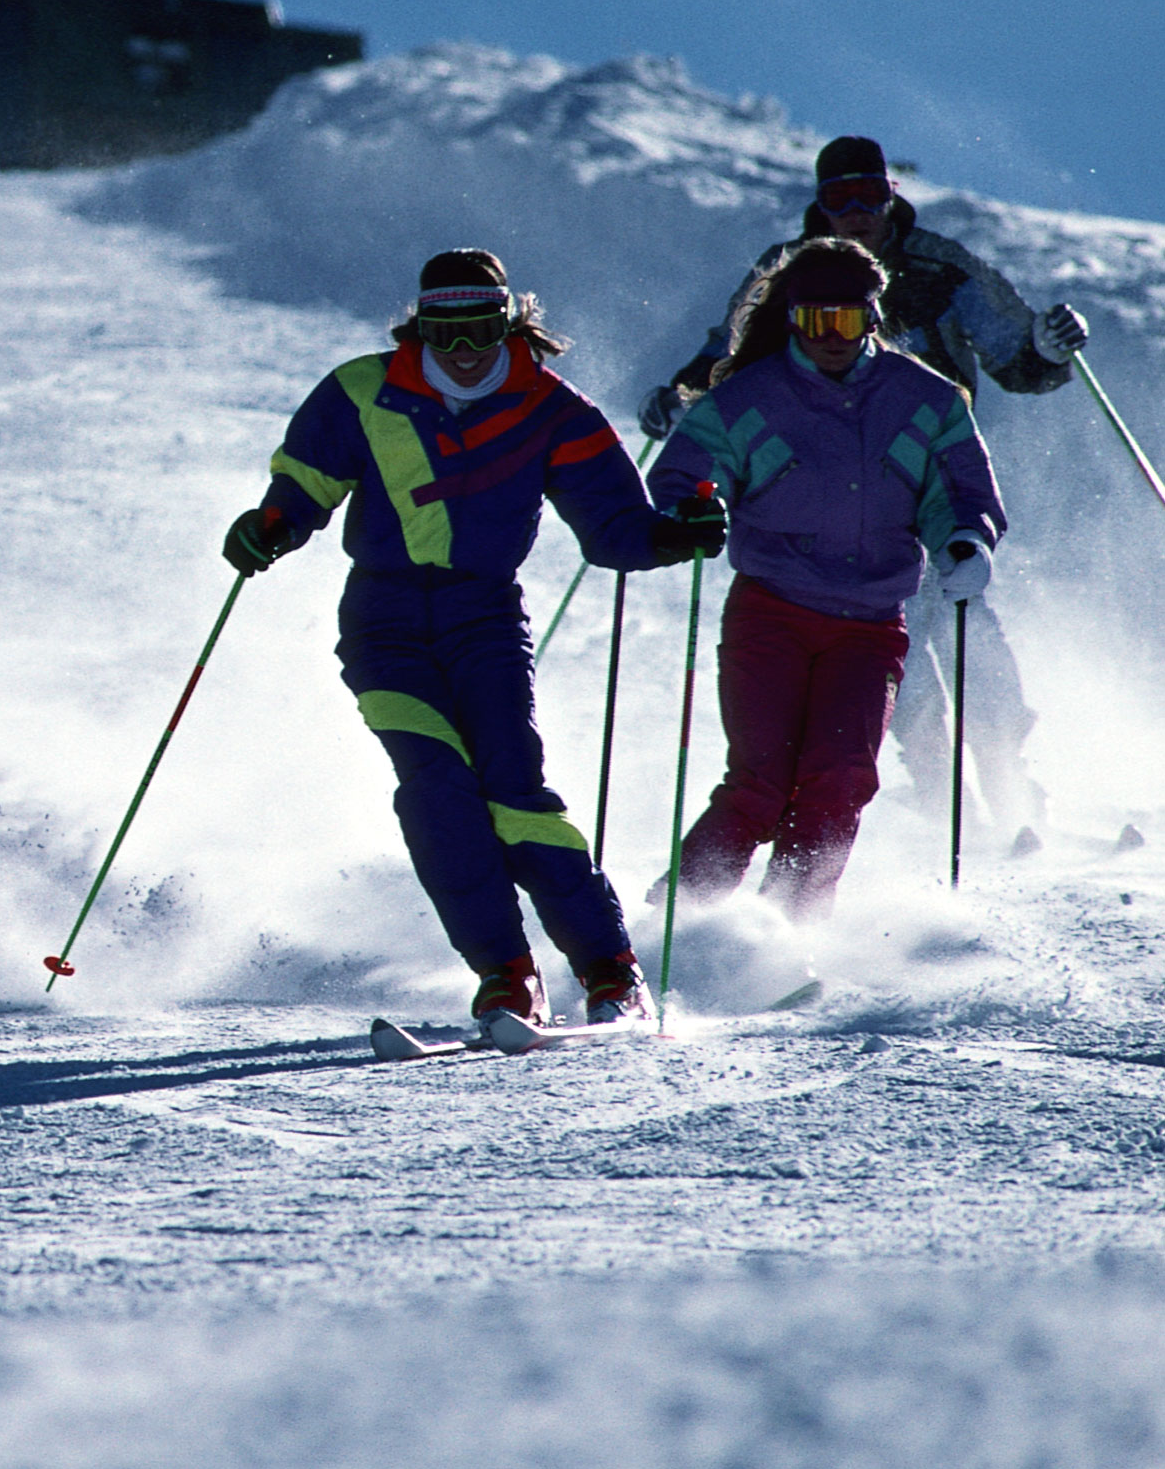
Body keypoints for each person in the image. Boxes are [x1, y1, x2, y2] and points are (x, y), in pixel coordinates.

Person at [223, 249, 724, 1030]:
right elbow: (305, 486)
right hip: (382, 621)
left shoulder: (552, 409)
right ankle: (507, 975)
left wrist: (676, 535)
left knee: (511, 792)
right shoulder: (363, 389)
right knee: (436, 789)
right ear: (417, 325)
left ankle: (609, 970)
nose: (462, 350)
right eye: (444, 331)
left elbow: (618, 531)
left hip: (484, 616)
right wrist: (271, 527)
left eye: (481, 329)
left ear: (510, 321)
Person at [639, 135, 1084, 829]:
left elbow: (1014, 356)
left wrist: (1047, 352)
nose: (855, 212)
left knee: (969, 634)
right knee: (902, 667)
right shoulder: (791, 271)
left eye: (868, 195)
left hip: (924, 481)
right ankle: (951, 809)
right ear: (818, 206)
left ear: (891, 197)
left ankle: (1014, 795)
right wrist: (681, 394)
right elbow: (731, 355)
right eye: (837, 198)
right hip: (823, 496)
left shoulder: (940, 267)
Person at [647, 238, 1006, 916]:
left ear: (874, 317)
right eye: (815, 322)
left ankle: (789, 929)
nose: (831, 338)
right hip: (772, 609)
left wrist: (964, 540)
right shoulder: (747, 398)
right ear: (792, 319)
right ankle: (676, 923)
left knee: (840, 778)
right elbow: (685, 471)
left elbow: (959, 490)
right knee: (761, 782)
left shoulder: (925, 399)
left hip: (869, 626)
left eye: (846, 321)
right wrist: (692, 507)